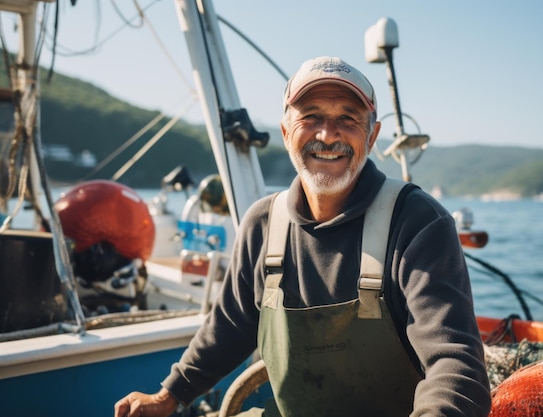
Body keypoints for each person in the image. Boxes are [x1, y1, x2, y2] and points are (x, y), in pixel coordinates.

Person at [114, 56, 491, 417]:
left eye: (348, 118)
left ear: (372, 135)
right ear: (285, 131)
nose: (328, 135)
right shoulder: (263, 223)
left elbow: (455, 362)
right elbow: (229, 327)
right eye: (311, 117)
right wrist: (169, 395)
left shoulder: (417, 220)